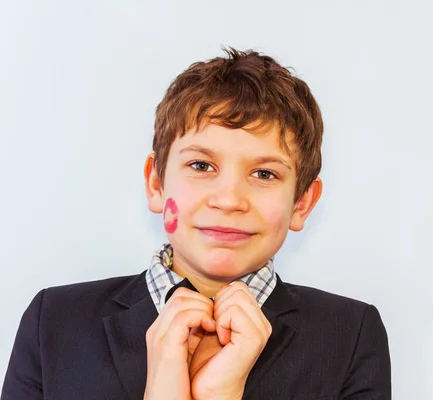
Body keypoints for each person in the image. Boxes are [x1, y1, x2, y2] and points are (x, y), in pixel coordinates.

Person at [2, 47, 391, 399]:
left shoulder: (350, 335)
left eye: (265, 174)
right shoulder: (54, 321)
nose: (228, 200)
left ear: (302, 203)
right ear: (156, 183)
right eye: (201, 166)